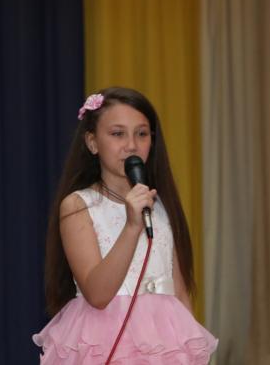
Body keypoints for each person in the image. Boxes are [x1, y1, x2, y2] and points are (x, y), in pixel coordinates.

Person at [33, 87, 217, 364]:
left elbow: (179, 291)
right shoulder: (79, 205)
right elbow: (97, 294)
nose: (131, 145)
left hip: (164, 341)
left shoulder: (160, 205)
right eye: (118, 134)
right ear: (92, 142)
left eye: (142, 134)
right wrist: (132, 226)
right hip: (104, 337)